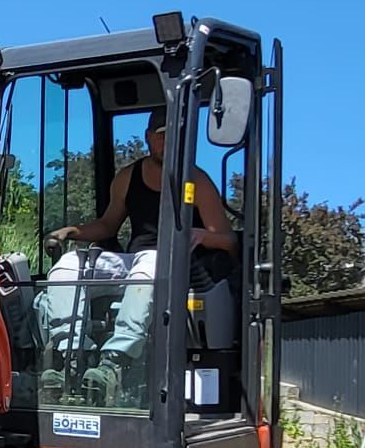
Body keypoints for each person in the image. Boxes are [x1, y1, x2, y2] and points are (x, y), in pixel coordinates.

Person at [36, 107, 238, 404]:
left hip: (174, 267)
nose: (165, 142)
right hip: (132, 265)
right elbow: (108, 225)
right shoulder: (128, 177)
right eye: (160, 136)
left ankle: (114, 363)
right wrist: (71, 231)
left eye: (172, 136)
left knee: (150, 260)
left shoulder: (196, 180)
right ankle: (72, 357)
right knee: (68, 264)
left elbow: (229, 241)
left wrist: (203, 236)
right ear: (148, 138)